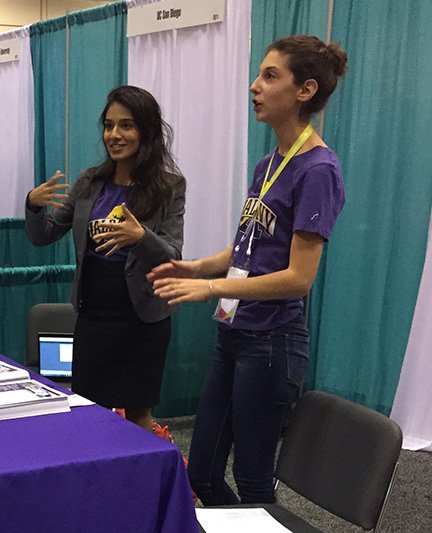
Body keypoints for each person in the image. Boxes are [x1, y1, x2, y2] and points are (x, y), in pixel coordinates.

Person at [148, 35, 347, 505]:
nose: (254, 86)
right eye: (259, 74)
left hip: (273, 343)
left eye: (270, 76)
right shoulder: (269, 163)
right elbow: (248, 247)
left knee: (255, 481)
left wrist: (209, 287)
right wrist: (198, 267)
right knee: (203, 475)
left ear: (305, 90)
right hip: (234, 334)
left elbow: (299, 278)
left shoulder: (318, 170)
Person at [25, 85, 186, 430]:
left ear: (146, 131)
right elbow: (44, 235)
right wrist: (33, 205)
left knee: (139, 415)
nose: (114, 135)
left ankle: (139, 482)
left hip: (143, 319)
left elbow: (173, 254)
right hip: (94, 316)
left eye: (126, 125)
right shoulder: (89, 183)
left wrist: (141, 238)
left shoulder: (169, 186)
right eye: (109, 125)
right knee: (91, 411)